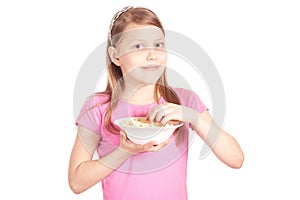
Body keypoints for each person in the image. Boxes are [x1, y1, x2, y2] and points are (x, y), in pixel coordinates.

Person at [68, 6, 244, 200]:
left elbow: (236, 159)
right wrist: (124, 151)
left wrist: (193, 117)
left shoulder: (183, 101)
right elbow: (77, 182)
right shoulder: (99, 107)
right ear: (115, 55)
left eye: (159, 45)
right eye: (138, 46)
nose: (152, 55)